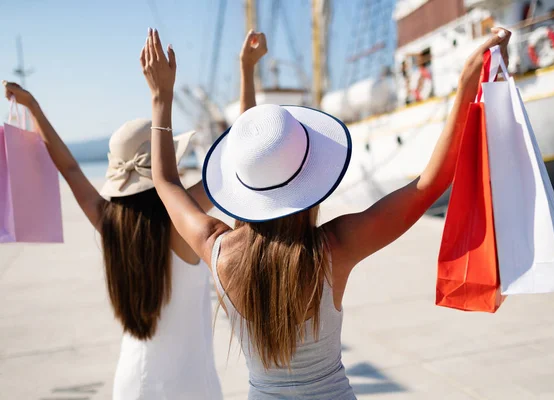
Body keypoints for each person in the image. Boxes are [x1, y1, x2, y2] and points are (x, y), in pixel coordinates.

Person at [141, 27, 511, 399]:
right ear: (310, 180)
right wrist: (466, 81)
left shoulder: (217, 250)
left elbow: (167, 182)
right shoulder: (333, 248)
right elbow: (431, 182)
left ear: (244, 190)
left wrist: (162, 98)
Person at [2, 80, 228, 398]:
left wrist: (33, 107)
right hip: (192, 384)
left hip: (134, 381)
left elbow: (69, 169)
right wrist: (246, 72)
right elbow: (230, 170)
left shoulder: (111, 224)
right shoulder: (182, 226)